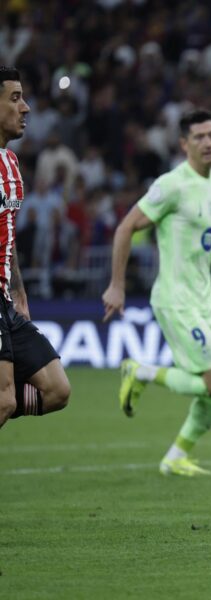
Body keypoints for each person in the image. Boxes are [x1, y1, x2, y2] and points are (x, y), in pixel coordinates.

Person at [102, 109, 211, 477]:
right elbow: (125, 227)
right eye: (199, 136)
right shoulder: (171, 185)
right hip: (175, 298)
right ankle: (141, 371)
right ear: (184, 144)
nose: (209, 141)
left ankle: (175, 457)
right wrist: (117, 284)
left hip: (205, 298)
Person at [0, 66, 71, 428]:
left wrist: (19, 295)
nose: (25, 107)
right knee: (3, 399)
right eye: (14, 98)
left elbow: (8, 240)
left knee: (57, 389)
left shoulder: (11, 165)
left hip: (6, 303)